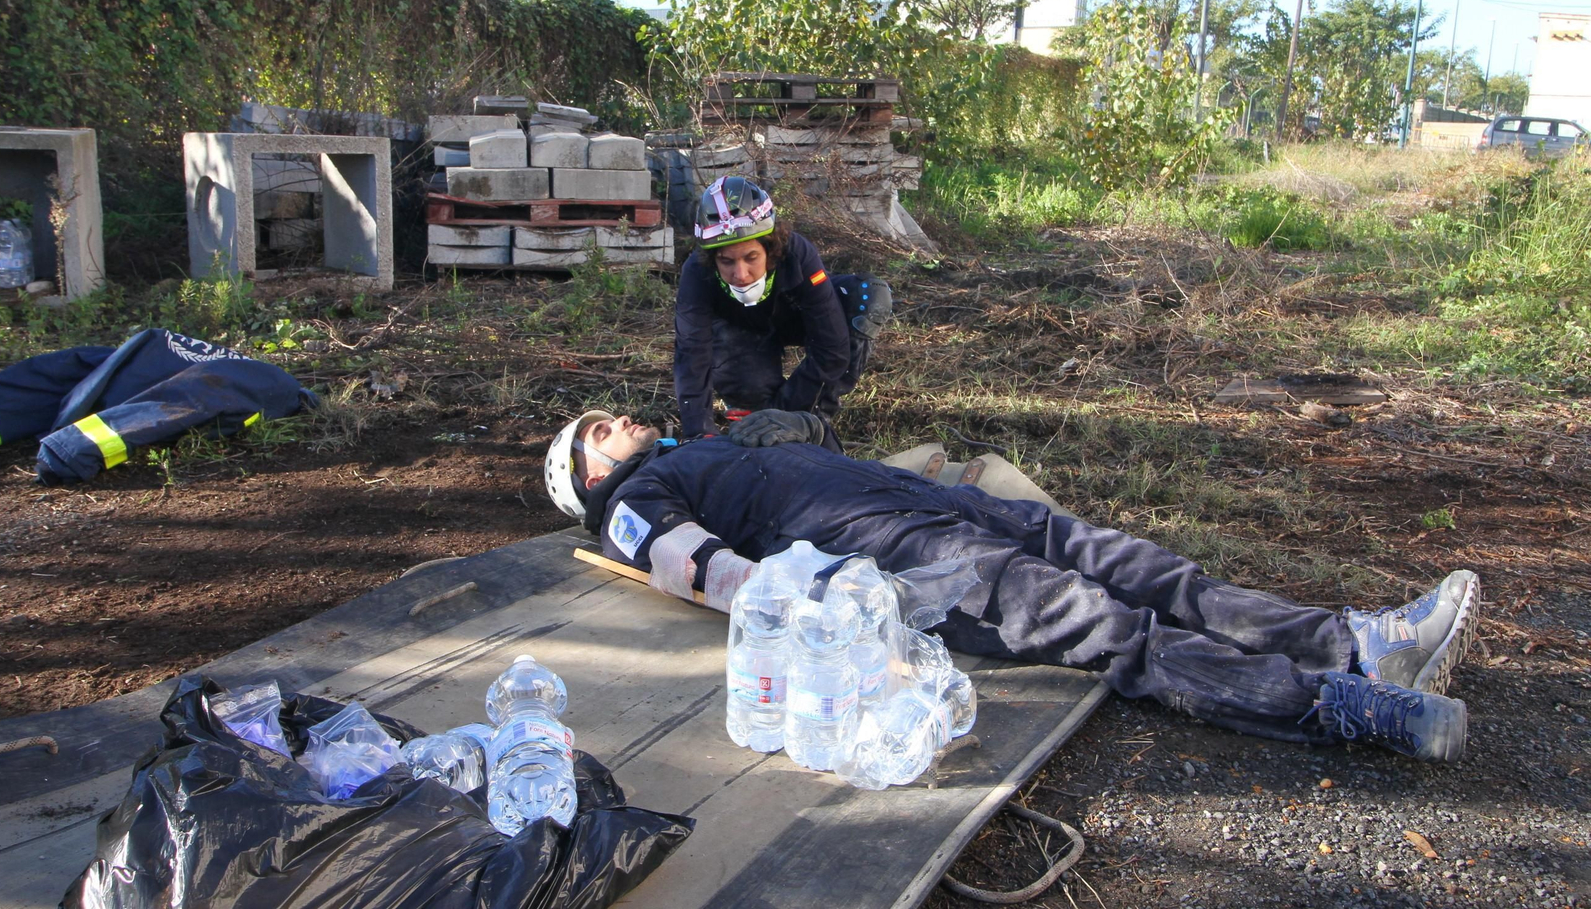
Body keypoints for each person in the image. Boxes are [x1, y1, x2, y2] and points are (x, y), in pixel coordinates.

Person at [543, 408, 1483, 763]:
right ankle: (1341, 707)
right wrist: (819, 596)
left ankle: (1357, 638)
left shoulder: (691, 446)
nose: (616, 421)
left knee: (1150, 569)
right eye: (596, 431)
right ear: (589, 478)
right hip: (903, 558)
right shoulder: (635, 498)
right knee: (1115, 628)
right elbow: (696, 568)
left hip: (929, 503)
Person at [673, 176, 892, 438]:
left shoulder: (798, 254)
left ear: (771, 248)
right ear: (712, 259)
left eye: (751, 257)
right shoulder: (696, 272)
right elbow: (691, 354)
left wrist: (790, 413)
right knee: (751, 390)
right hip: (739, 331)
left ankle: (815, 415)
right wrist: (698, 430)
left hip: (794, 317)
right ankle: (754, 410)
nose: (740, 274)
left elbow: (831, 346)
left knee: (869, 296)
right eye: (726, 261)